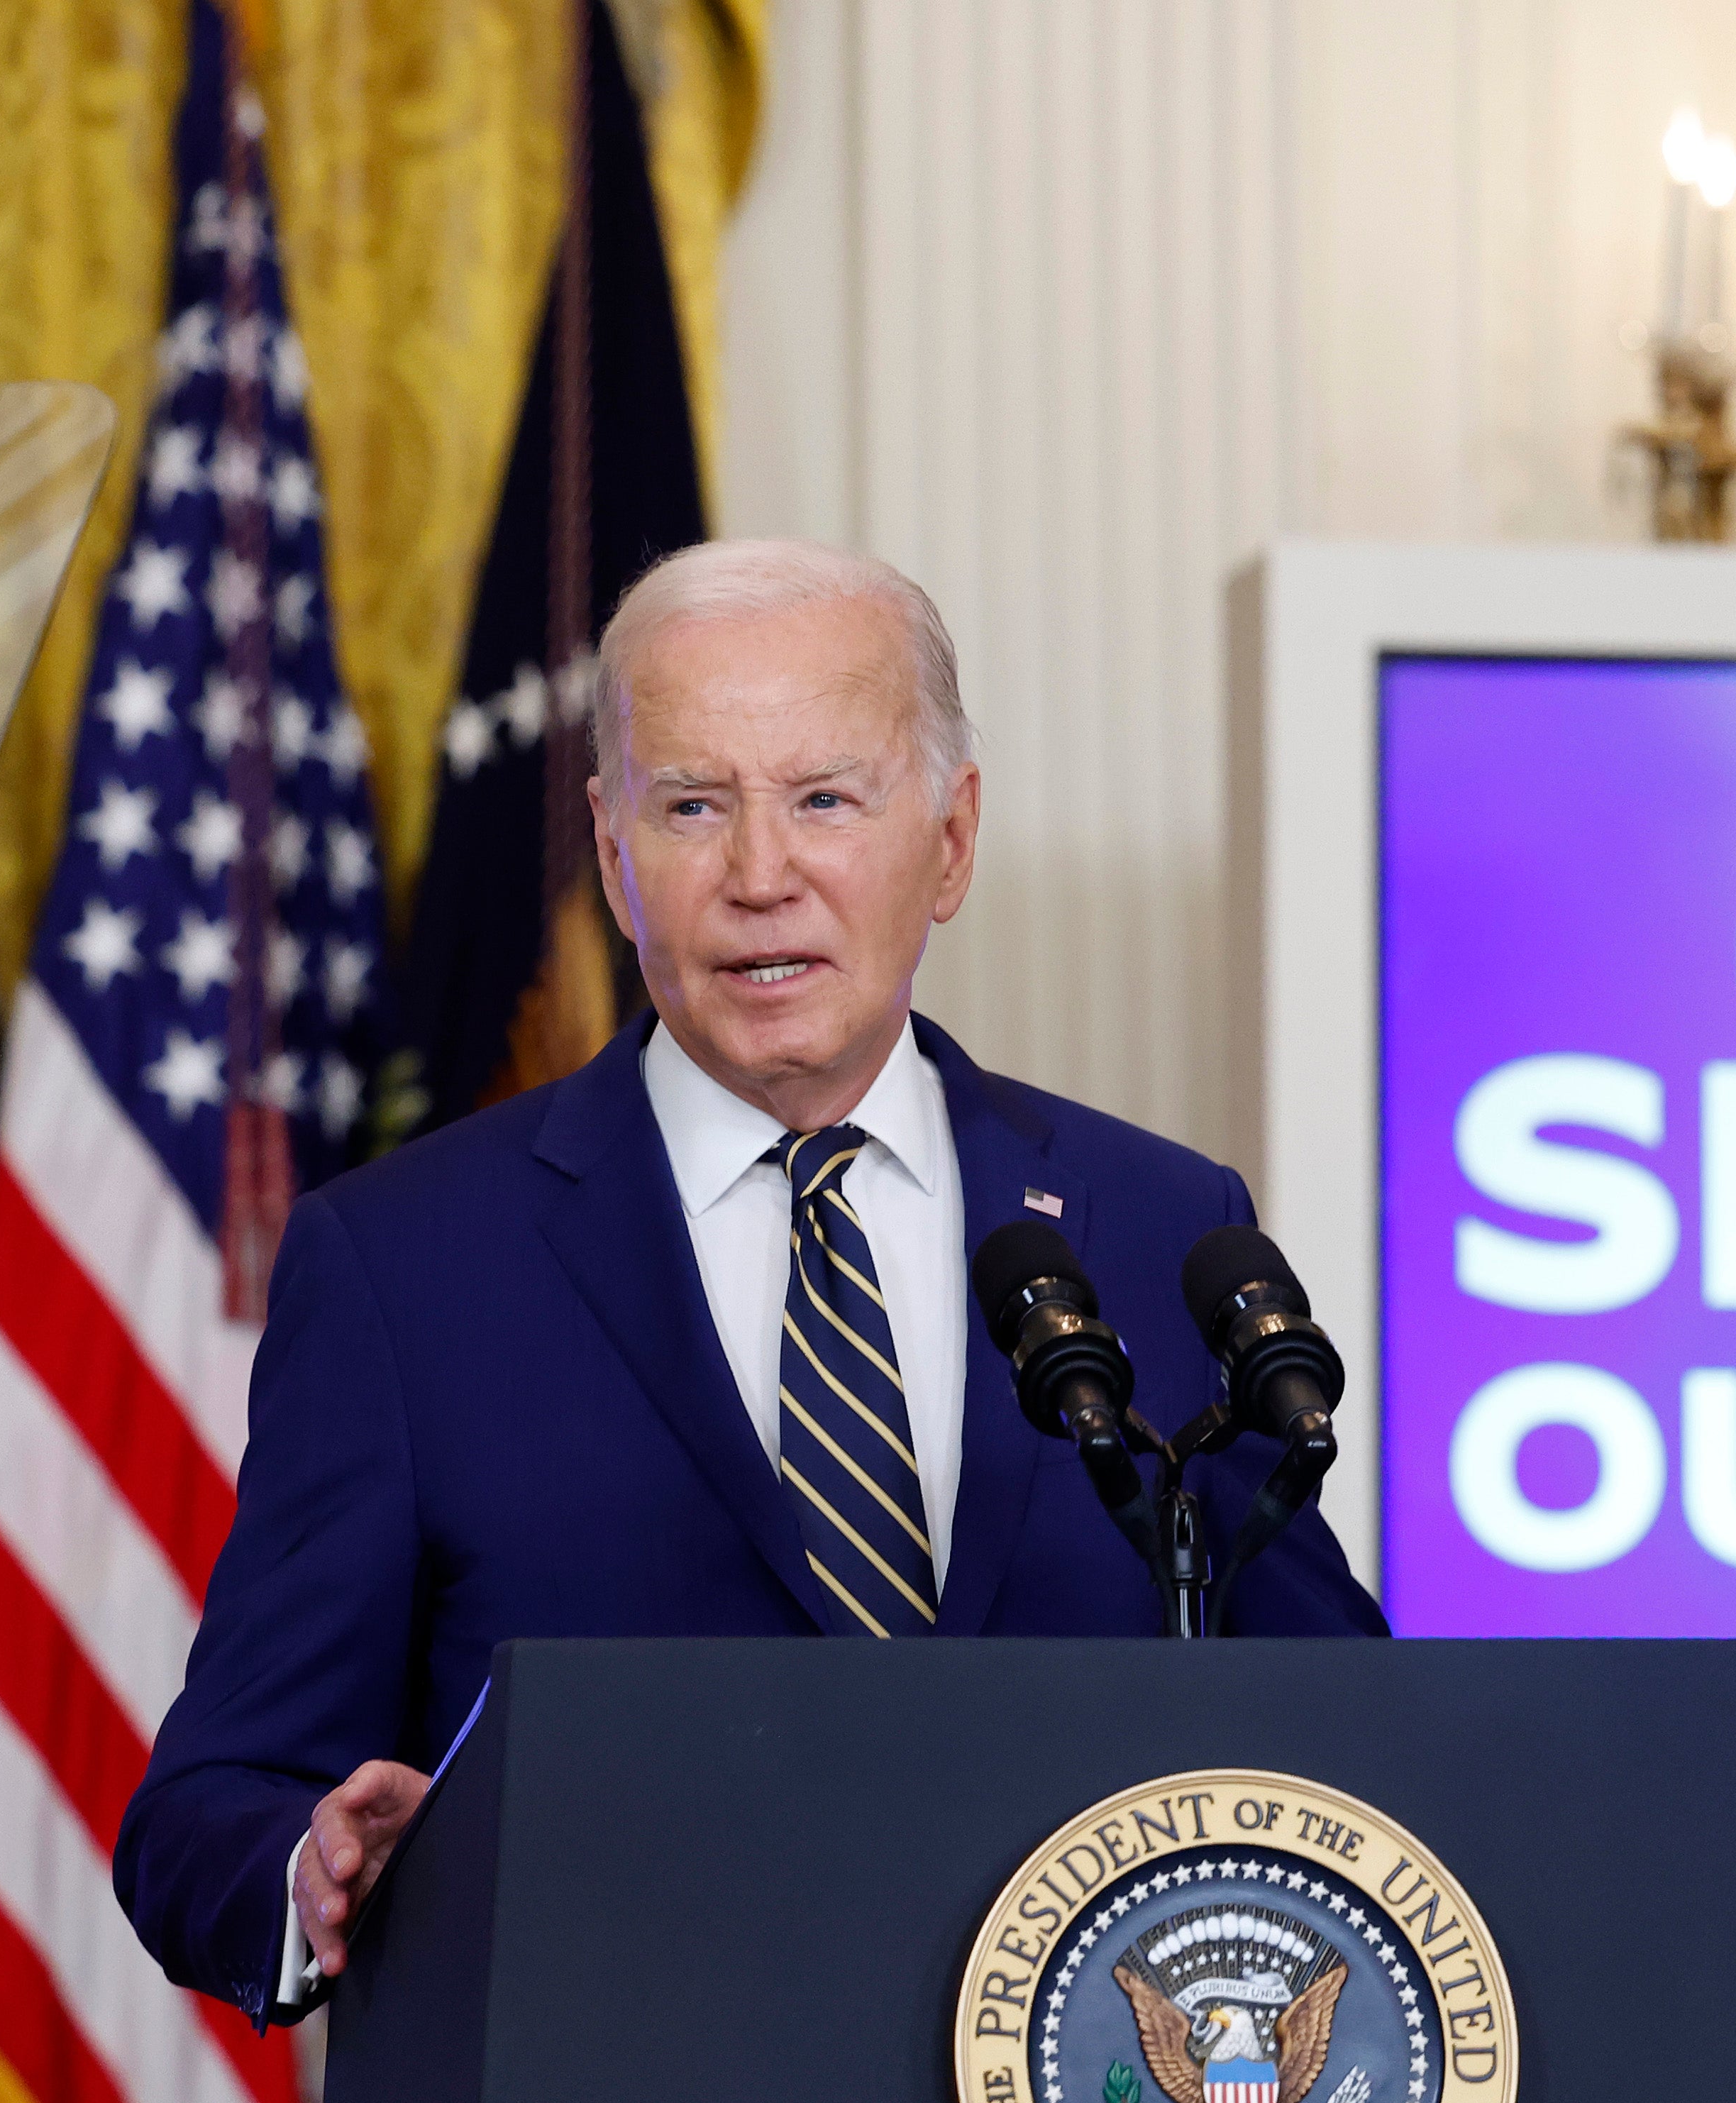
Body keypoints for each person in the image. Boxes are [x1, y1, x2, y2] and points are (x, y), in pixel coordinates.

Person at [113, 540, 1382, 2026]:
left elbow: (1345, 1738)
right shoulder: (402, 1267)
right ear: (610, 851)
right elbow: (207, 1809)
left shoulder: (1156, 1226)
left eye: (826, 799)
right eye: (693, 807)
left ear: (952, 840)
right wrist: (311, 1867)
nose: (759, 876)